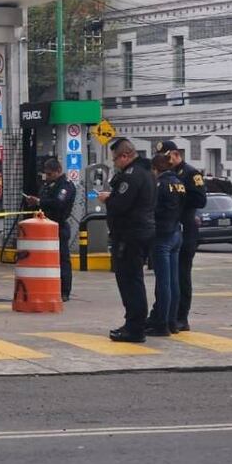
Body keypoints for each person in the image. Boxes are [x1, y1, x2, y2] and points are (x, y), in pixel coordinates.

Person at [98, 138, 157, 342]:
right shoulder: (147, 173)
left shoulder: (131, 176)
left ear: (125, 156)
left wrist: (108, 199)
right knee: (133, 280)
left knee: (130, 281)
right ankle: (133, 323)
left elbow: (120, 205)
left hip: (130, 234)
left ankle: (135, 327)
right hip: (140, 232)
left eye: (115, 159)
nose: (115, 163)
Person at [156, 140, 207, 331]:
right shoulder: (165, 176)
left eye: (167, 157)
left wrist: (180, 197)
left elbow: (201, 200)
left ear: (176, 154)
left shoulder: (191, 173)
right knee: (169, 277)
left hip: (186, 229)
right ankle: (167, 314)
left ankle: (181, 317)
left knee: (182, 275)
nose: (165, 161)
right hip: (171, 228)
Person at [25, 158, 76, 302]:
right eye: (46, 174)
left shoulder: (65, 186)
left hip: (58, 226)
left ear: (58, 171)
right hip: (44, 226)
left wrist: (40, 202)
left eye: (50, 174)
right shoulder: (47, 186)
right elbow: (44, 201)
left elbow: (59, 203)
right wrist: (35, 202)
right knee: (45, 260)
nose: (47, 177)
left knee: (62, 259)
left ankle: (64, 291)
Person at [147, 153, 185, 337]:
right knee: (173, 281)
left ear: (156, 169)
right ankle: (173, 321)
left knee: (163, 283)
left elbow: (153, 208)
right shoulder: (179, 183)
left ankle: (161, 323)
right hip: (177, 232)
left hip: (162, 235)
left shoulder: (160, 184)